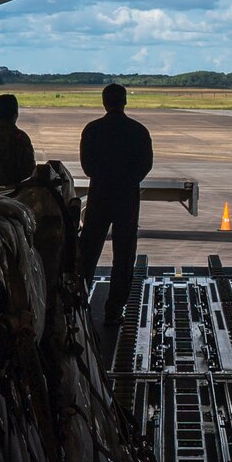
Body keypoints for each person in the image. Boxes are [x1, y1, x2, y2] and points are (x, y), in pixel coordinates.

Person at [78, 83, 154, 323]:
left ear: (104, 102)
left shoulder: (92, 129)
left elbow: (87, 166)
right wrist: (128, 179)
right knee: (124, 256)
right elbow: (145, 165)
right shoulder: (138, 131)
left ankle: (79, 302)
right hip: (126, 197)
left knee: (88, 252)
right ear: (124, 102)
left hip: (100, 194)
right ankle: (113, 310)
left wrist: (104, 176)